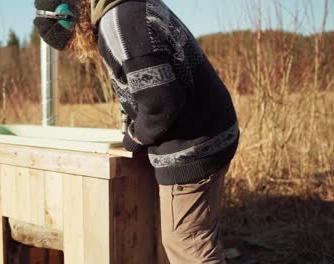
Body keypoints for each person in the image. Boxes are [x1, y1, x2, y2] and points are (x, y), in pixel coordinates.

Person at [34, 0, 239, 263]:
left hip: (194, 145)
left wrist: (134, 138)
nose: (75, 48)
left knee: (186, 244)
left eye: (69, 42)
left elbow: (159, 104)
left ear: (69, 18)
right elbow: (152, 80)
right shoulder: (129, 8)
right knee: (199, 238)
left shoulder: (118, 25)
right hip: (212, 130)